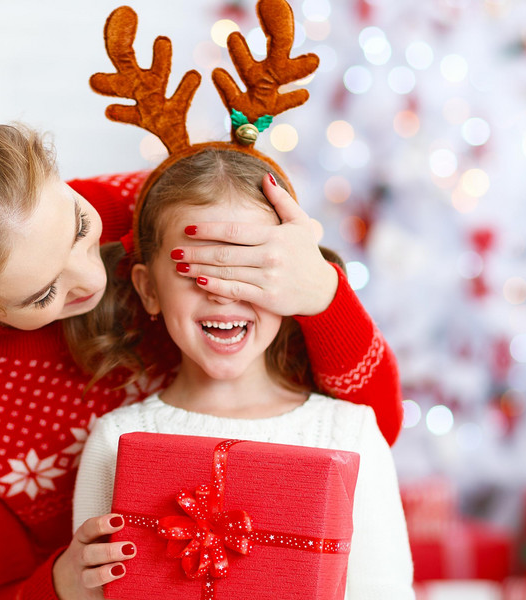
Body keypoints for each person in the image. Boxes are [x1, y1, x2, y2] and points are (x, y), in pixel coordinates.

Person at [0, 108, 401, 596]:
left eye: (80, 227)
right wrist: (59, 585)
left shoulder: (163, 213)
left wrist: (324, 294)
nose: (90, 276)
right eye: (42, 293)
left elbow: (370, 430)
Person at [71, 148, 414, 596]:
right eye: (196, 270)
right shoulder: (114, 442)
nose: (223, 294)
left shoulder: (350, 432)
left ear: (293, 280)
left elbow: (384, 590)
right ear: (148, 289)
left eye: (249, 268)